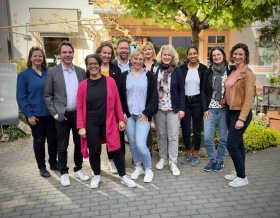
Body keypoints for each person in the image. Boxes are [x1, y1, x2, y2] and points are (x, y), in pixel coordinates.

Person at [76, 54, 136, 189]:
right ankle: (96, 175)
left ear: (99, 65)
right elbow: (79, 108)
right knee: (95, 150)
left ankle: (123, 176)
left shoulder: (110, 81)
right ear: (87, 66)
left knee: (116, 149)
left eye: (95, 63)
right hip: (91, 123)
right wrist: (81, 126)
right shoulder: (83, 85)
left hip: (109, 121)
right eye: (90, 63)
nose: (93, 66)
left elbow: (117, 103)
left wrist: (121, 119)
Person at [44, 41, 89, 186]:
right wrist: (56, 115)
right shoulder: (52, 72)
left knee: (78, 144)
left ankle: (78, 169)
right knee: (62, 146)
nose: (67, 55)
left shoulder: (81, 72)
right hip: (62, 116)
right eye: (64, 52)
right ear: (59, 54)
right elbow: (48, 96)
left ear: (73, 54)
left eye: (70, 52)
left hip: (78, 115)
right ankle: (63, 171)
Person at [16, 46, 58, 177]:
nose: (38, 58)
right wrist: (29, 115)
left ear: (43, 58)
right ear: (30, 58)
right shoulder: (24, 75)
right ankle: (42, 167)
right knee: (39, 141)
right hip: (36, 116)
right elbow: (21, 97)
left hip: (51, 114)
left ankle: (53, 162)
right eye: (35, 56)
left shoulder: (49, 72)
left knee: (53, 140)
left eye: (40, 56)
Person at [118, 49, 158, 183]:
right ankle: (138, 166)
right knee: (133, 143)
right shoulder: (124, 76)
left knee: (141, 143)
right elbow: (120, 96)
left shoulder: (149, 76)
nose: (138, 61)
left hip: (143, 116)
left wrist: (147, 112)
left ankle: (148, 169)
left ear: (144, 61)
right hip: (129, 115)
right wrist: (122, 112)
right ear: (131, 59)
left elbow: (154, 97)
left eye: (140, 59)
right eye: (135, 58)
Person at [223, 43, 255, 187]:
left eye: (240, 54)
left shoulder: (248, 73)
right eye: (235, 54)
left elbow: (248, 99)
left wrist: (241, 119)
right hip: (230, 111)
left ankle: (242, 177)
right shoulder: (234, 70)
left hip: (240, 113)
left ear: (245, 56)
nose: (237, 56)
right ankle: (238, 172)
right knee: (239, 144)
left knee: (232, 145)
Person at [152, 45, 185, 176]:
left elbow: (182, 90)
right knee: (161, 135)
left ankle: (173, 162)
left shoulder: (177, 71)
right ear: (161, 56)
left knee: (173, 137)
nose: (166, 57)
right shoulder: (156, 70)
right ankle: (163, 158)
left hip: (173, 109)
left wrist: (182, 108)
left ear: (172, 57)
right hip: (158, 109)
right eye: (164, 55)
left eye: (169, 55)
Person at [201, 47, 232, 172]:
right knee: (208, 137)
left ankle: (220, 161)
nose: (216, 57)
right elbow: (203, 91)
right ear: (211, 58)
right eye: (214, 55)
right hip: (210, 109)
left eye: (218, 54)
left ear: (223, 55)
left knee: (223, 138)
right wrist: (204, 108)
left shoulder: (230, 71)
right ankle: (212, 160)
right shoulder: (208, 72)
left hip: (225, 109)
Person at [95, 41, 122, 174]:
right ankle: (96, 164)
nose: (106, 55)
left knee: (110, 137)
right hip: (96, 110)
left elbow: (118, 93)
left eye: (109, 53)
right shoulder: (93, 67)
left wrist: (121, 114)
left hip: (110, 112)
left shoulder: (115, 70)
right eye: (104, 52)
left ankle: (111, 161)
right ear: (99, 52)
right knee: (96, 138)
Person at [179, 46, 207, 166]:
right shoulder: (182, 69)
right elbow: (179, 87)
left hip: (197, 102)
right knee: (185, 130)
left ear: (197, 54)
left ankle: (196, 154)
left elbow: (205, 89)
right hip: (185, 102)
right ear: (187, 56)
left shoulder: (204, 69)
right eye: (190, 54)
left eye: (194, 53)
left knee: (196, 130)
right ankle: (188, 153)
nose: (192, 56)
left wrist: (205, 107)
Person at [142, 41, 158, 156]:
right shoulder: (138, 64)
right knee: (144, 129)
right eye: (145, 49)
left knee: (157, 128)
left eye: (149, 49)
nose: (147, 51)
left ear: (153, 51)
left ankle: (160, 153)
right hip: (142, 101)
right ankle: (146, 152)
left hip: (157, 100)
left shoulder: (159, 65)